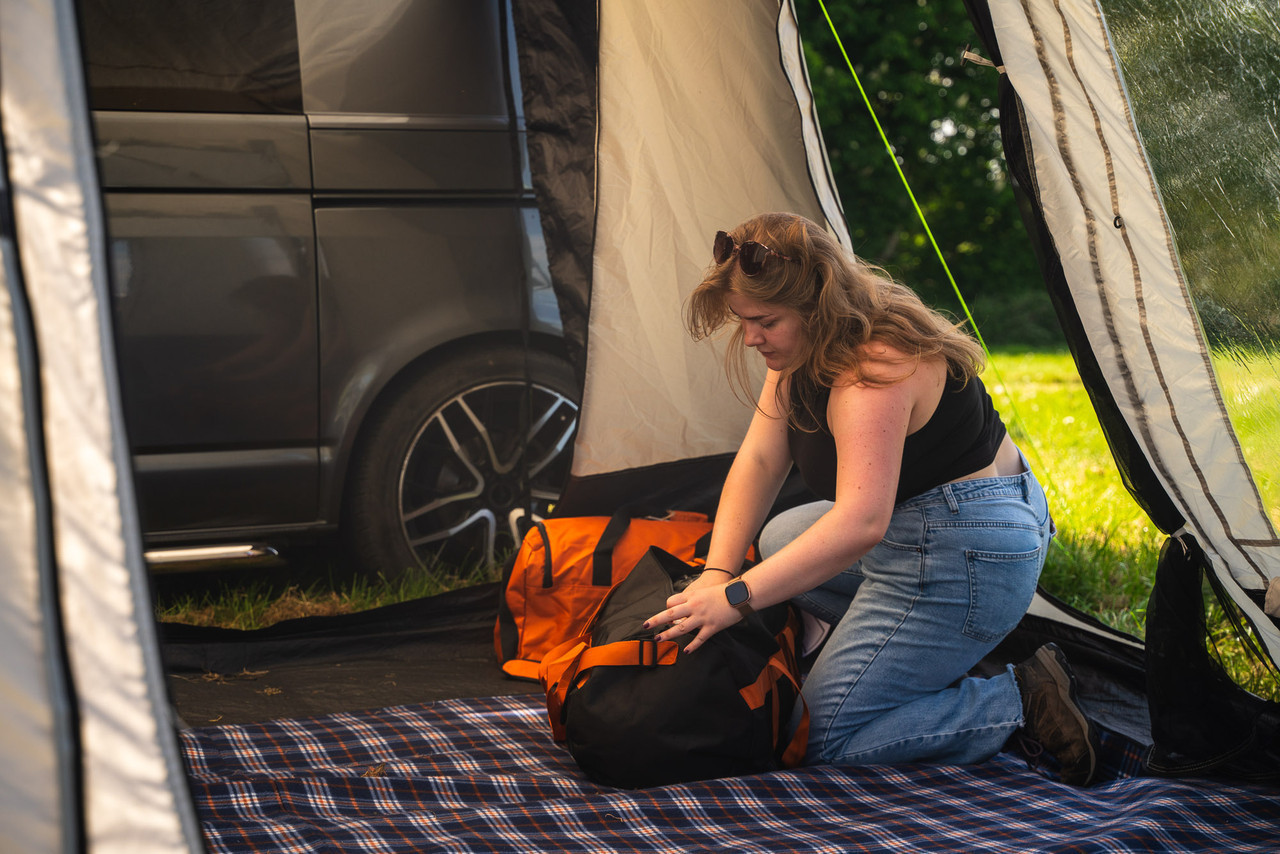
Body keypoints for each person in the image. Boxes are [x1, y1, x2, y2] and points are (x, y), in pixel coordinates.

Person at [642, 211, 1101, 785]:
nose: (752, 337)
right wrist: (717, 572)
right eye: (744, 321)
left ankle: (1019, 698)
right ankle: (914, 656)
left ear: (815, 306)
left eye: (765, 322)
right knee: (780, 537)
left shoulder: (873, 368)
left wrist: (736, 598)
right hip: (927, 527)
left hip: (971, 552)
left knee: (819, 736)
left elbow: (861, 522)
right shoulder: (809, 342)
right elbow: (760, 460)